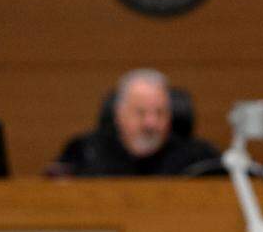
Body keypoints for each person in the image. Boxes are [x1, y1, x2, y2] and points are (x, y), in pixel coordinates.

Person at [49, 69, 220, 176]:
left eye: (160, 113)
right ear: (119, 114)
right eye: (140, 113)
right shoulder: (85, 151)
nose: (151, 123)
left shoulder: (199, 158)